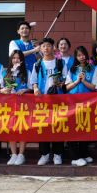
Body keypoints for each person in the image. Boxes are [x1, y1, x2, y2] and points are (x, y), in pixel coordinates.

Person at [31, 38, 69, 166]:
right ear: (40, 49)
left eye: (49, 46)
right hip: (42, 100)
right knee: (43, 127)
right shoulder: (37, 64)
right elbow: (33, 80)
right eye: (44, 46)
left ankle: (58, 154)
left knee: (58, 126)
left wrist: (60, 84)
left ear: (53, 48)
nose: (46, 48)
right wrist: (35, 88)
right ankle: (44, 154)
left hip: (58, 99)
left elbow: (66, 79)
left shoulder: (60, 62)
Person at [65, 46, 97, 167]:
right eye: (79, 55)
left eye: (83, 55)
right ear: (76, 57)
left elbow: (94, 87)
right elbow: (67, 87)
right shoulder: (72, 69)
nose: (81, 57)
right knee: (73, 129)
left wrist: (84, 81)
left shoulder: (93, 69)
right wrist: (77, 81)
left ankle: (83, 153)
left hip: (87, 103)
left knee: (85, 128)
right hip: (73, 103)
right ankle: (75, 157)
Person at [0, 49, 32, 166]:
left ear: (22, 60)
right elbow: (0, 89)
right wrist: (4, 90)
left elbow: (31, 87)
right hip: (9, 106)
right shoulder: (5, 73)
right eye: (14, 58)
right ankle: (13, 154)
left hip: (23, 106)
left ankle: (21, 154)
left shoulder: (27, 72)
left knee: (22, 128)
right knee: (11, 128)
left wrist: (25, 90)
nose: (16, 60)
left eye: (18, 58)